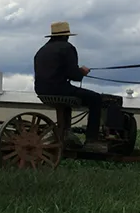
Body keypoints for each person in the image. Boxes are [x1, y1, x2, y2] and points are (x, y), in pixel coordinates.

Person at [33, 21, 107, 153]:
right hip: (59, 89)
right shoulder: (67, 48)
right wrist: (82, 72)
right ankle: (91, 140)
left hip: (41, 90)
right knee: (96, 99)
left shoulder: (42, 50)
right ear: (66, 36)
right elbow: (74, 75)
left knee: (67, 100)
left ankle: (65, 132)